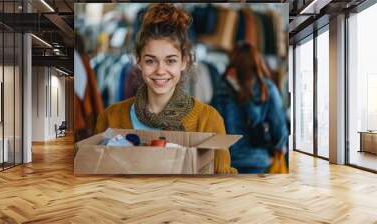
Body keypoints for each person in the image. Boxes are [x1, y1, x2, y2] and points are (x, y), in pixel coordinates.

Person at [95, 3, 237, 174]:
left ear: (184, 61)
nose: (160, 71)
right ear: (138, 61)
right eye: (150, 61)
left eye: (170, 60)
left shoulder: (208, 121)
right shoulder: (110, 118)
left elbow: (222, 184)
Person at [212, 42, 288, 173]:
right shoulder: (266, 88)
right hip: (258, 162)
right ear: (256, 62)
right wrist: (279, 147)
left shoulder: (220, 87)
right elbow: (279, 129)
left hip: (226, 163)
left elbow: (212, 127)